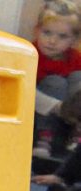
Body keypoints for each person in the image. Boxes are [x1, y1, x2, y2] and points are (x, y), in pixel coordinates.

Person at [32, 0, 81, 158]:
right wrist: (58, 107)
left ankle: (76, 133)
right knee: (56, 82)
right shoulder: (30, 54)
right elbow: (24, 92)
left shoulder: (75, 58)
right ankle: (44, 138)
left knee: (78, 77)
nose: (52, 41)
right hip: (40, 116)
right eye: (47, 33)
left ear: (74, 40)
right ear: (37, 31)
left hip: (67, 118)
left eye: (62, 36)